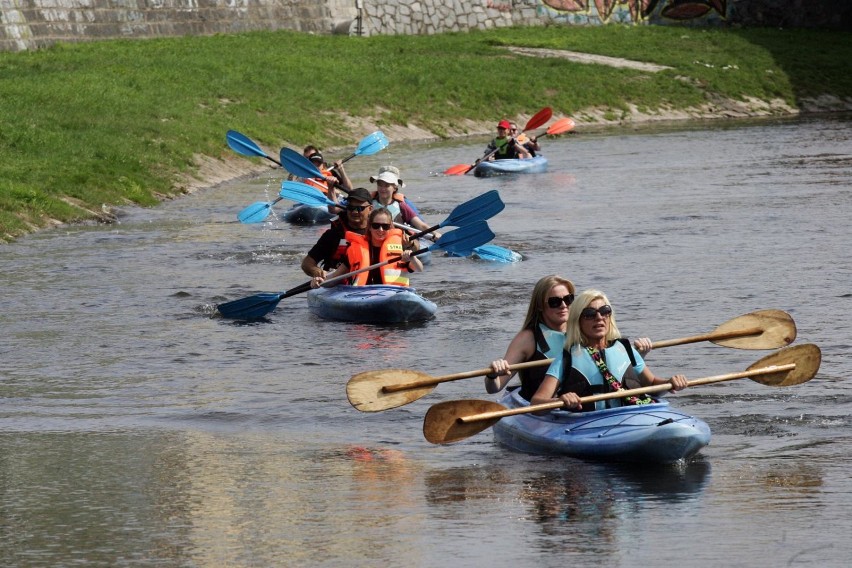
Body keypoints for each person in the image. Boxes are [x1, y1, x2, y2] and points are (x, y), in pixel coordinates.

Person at [531, 289, 688, 412]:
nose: (599, 318)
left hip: (632, 418)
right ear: (578, 321)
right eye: (590, 314)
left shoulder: (626, 350)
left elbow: (653, 385)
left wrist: (670, 383)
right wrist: (560, 400)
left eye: (605, 311)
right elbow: (537, 402)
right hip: (589, 424)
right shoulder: (566, 358)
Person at [486, 275, 575, 401]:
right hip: (537, 411)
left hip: (575, 406)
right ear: (539, 306)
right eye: (554, 302)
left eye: (568, 299)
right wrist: (492, 375)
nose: (563, 305)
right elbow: (494, 388)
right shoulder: (527, 339)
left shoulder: (582, 331)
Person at [309, 207, 422, 288]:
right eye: (376, 226)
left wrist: (412, 257)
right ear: (370, 227)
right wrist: (321, 281)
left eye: (385, 226)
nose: (380, 230)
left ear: (390, 227)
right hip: (363, 295)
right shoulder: (355, 249)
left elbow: (419, 268)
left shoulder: (398, 248)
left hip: (393, 294)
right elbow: (336, 277)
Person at [300, 187, 373, 278]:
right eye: (351, 207)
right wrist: (317, 272)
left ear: (370, 209)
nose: (354, 212)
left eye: (359, 208)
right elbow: (307, 263)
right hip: (335, 283)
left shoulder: (377, 232)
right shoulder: (333, 234)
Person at [368, 166, 440, 239]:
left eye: (387, 185)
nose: (382, 188)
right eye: (380, 184)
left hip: (395, 242)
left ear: (395, 187)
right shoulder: (368, 203)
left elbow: (420, 225)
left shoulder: (401, 205)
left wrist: (435, 233)